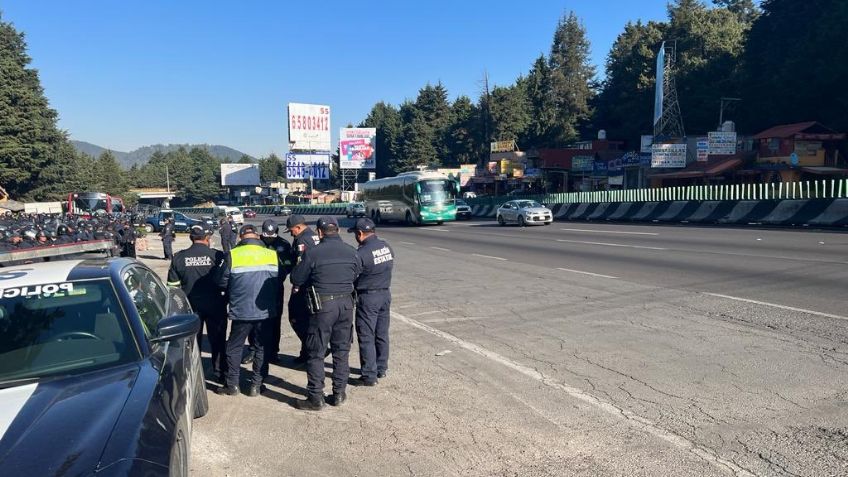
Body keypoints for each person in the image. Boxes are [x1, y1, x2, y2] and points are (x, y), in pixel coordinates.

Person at [290, 216, 362, 410]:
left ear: (320, 232)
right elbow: (357, 274)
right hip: (346, 305)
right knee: (341, 352)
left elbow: (296, 277)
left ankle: (315, 397)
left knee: (316, 352)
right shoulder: (352, 252)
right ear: (337, 229)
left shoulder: (313, 253)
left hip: (322, 306)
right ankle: (339, 393)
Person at [215, 224, 281, 397]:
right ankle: (256, 386)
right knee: (261, 347)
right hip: (265, 311)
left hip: (241, 310)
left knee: (234, 347)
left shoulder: (233, 255)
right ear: (257, 237)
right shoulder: (272, 255)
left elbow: (221, 281)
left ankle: (232, 385)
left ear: (241, 238)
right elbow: (278, 281)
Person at [167, 226, 228, 383]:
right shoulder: (218, 256)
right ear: (207, 238)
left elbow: (173, 288)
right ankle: (220, 372)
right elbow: (226, 281)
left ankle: (194, 374)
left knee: (193, 342)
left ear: (190, 238)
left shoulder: (179, 258)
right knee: (218, 340)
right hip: (216, 305)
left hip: (191, 306)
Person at [348, 218, 394, 386]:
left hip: (368, 297)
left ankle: (369, 375)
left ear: (360, 234)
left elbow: (352, 276)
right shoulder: (386, 246)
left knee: (366, 335)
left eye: (355, 234)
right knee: (381, 333)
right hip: (385, 294)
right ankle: (381, 368)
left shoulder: (361, 254)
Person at [285, 214, 321, 363]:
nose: (291, 233)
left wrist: (297, 285)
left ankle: (314, 349)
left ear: (298, 227)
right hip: (316, 283)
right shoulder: (314, 236)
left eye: (292, 230)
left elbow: (301, 266)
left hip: (305, 285)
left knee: (296, 317)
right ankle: (307, 352)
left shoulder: (302, 240)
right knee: (308, 319)